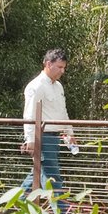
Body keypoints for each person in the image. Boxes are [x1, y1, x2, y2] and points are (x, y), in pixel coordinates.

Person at [21, 48, 79, 205]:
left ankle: (14, 206)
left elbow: (62, 112)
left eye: (64, 67)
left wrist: (69, 133)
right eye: (60, 67)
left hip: (54, 137)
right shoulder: (36, 86)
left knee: (36, 175)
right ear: (48, 64)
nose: (63, 71)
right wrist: (31, 140)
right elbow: (30, 115)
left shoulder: (58, 86)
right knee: (52, 176)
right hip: (43, 137)